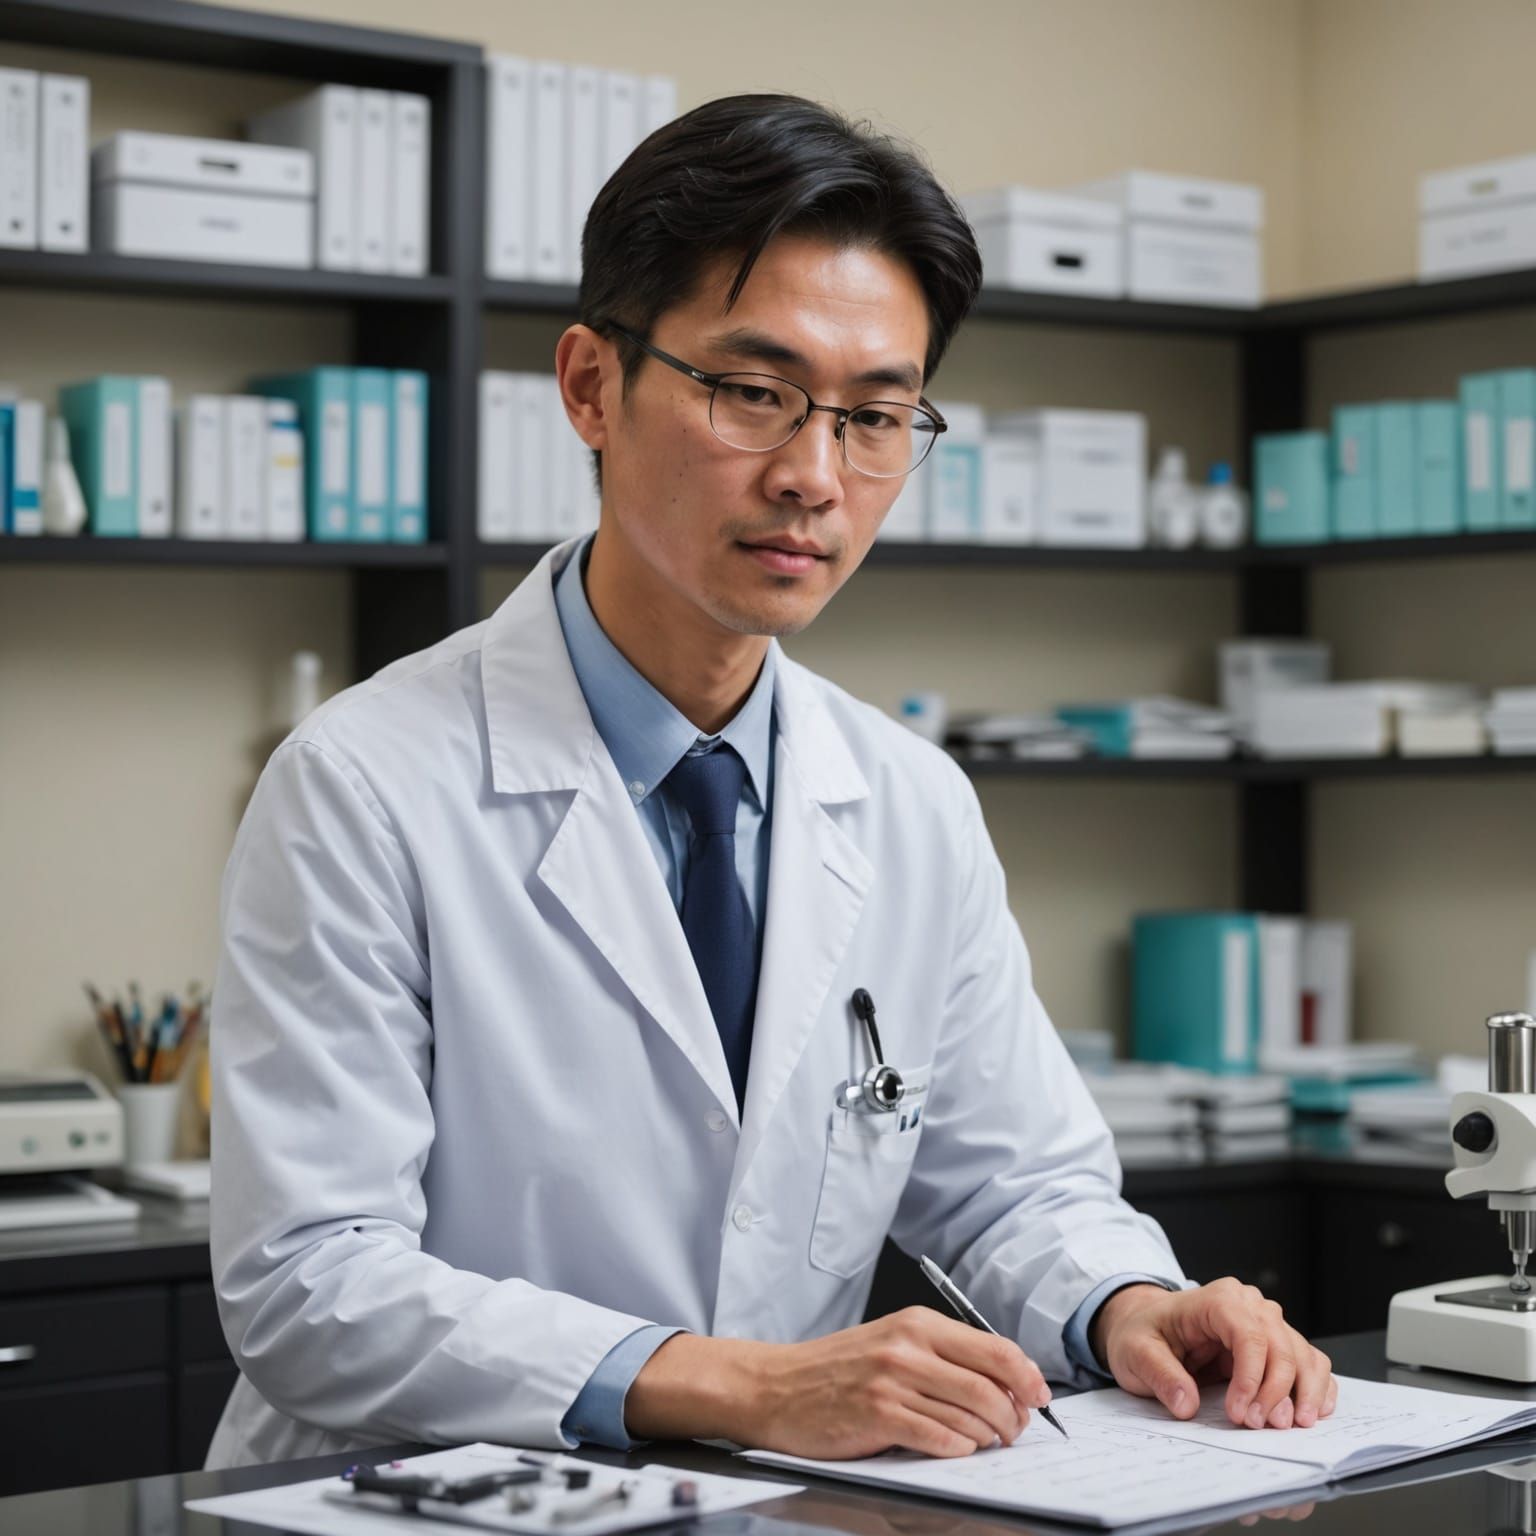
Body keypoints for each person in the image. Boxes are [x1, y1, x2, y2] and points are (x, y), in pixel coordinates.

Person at [206, 91, 1335, 1471]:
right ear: (592, 387)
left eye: (877, 416)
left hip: (761, 1499)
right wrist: (738, 1385)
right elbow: (312, 1282)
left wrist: (1130, 1304)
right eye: (753, 393)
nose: (815, 476)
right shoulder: (363, 783)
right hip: (422, 1495)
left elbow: (1013, 1185)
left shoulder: (910, 801)